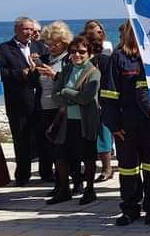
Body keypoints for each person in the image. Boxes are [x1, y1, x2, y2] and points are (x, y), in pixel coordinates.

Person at [99, 21, 150, 227]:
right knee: (128, 169)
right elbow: (108, 94)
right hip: (126, 125)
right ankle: (130, 209)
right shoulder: (118, 58)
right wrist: (113, 125)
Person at [45, 34, 101, 205]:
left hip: (85, 121)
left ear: (89, 53)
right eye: (74, 51)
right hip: (66, 121)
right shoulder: (67, 70)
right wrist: (70, 97)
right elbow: (54, 95)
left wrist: (66, 92)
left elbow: (86, 98)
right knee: (60, 156)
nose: (77, 55)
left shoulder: (94, 72)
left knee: (88, 157)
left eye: (82, 52)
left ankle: (89, 190)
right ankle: (64, 190)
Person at [0, 16, 49, 185]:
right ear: (16, 30)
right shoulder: (4, 49)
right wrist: (20, 73)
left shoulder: (40, 47)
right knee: (21, 140)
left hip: (41, 100)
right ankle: (22, 175)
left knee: (44, 138)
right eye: (25, 29)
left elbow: (49, 66)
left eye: (31, 29)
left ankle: (46, 172)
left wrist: (39, 64)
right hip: (18, 102)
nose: (29, 32)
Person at [33, 21, 76, 200]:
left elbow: (73, 83)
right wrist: (33, 69)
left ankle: (66, 187)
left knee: (62, 150)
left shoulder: (69, 59)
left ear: (64, 42)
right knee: (52, 149)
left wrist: (54, 75)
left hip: (62, 110)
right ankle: (60, 184)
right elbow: (37, 84)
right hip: (45, 108)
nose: (50, 47)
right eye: (48, 44)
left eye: (55, 44)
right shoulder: (46, 58)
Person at [85, 31, 114, 183]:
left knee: (103, 136)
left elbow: (109, 82)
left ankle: (107, 169)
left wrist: (104, 102)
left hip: (101, 104)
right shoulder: (79, 62)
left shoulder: (103, 60)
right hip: (86, 104)